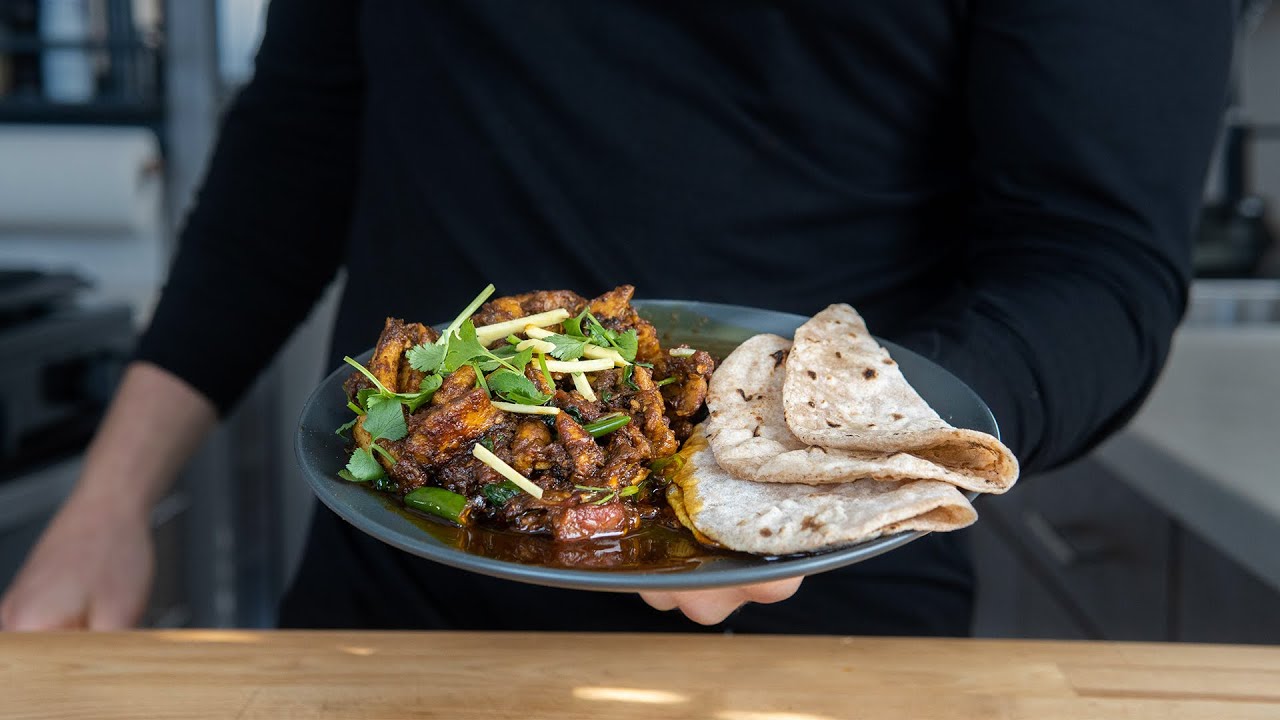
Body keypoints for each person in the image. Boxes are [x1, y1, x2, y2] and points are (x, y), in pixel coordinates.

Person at [1, 1, 1233, 633]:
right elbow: (294, 148)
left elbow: (1091, 259)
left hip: (806, 619)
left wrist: (821, 475)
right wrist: (108, 502)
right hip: (390, 594)